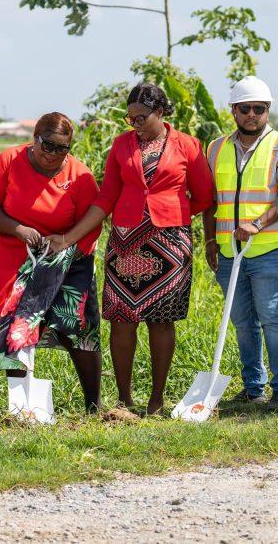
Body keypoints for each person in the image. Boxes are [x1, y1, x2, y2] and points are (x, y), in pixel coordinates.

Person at [49, 83, 213, 415]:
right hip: (124, 243)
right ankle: (124, 400)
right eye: (131, 117)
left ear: (161, 111)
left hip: (170, 244)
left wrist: (172, 214)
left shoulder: (188, 145)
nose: (135, 123)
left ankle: (156, 401)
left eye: (141, 117)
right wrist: (68, 238)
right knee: (122, 320)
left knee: (161, 321)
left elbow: (205, 196)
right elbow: (105, 198)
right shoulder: (121, 145)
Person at [0, 113, 103, 412]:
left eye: (62, 148)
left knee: (79, 326)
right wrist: (18, 229)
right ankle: (21, 406)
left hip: (66, 257)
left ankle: (94, 405)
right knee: (15, 327)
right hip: (15, 255)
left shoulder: (79, 176)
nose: (53, 154)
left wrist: (66, 245)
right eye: (48, 145)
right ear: (35, 139)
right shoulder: (9, 161)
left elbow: (92, 224)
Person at [202, 76, 278, 413]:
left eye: (258, 109)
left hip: (269, 250)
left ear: (267, 110)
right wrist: (209, 240)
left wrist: (257, 224)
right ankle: (252, 388)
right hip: (229, 251)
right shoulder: (215, 148)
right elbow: (209, 200)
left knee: (272, 318)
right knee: (242, 322)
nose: (251, 114)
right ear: (233, 110)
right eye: (244, 108)